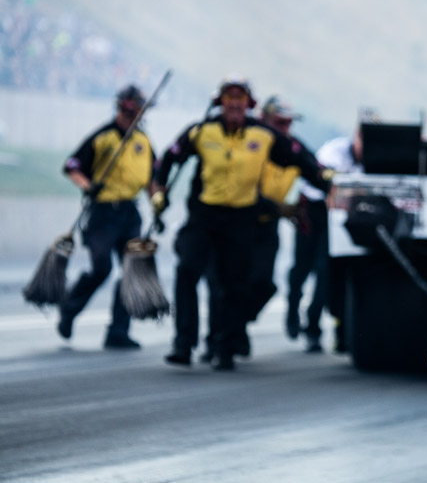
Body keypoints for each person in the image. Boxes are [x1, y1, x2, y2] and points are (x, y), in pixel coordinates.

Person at [153, 77, 330, 371]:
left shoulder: (264, 136)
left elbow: (305, 163)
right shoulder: (201, 131)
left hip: (241, 220)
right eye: (229, 99)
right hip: (204, 216)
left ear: (249, 105)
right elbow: (169, 159)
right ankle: (183, 342)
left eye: (240, 100)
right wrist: (158, 190)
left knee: (235, 284)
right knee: (187, 270)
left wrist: (328, 183)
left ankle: (225, 347)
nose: (235, 105)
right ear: (220, 103)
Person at [57, 84, 155, 349]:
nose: (130, 118)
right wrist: (89, 186)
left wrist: (158, 203)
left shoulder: (143, 142)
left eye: (135, 113)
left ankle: (118, 331)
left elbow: (153, 180)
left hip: (130, 213)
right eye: (127, 112)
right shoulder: (103, 137)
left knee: (131, 270)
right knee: (102, 269)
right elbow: (72, 166)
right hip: (102, 213)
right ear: (120, 109)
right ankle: (69, 308)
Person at [287, 128, 363, 352]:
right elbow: (327, 181)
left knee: (324, 271)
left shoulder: (369, 160)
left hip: (335, 215)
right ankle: (293, 307)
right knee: (301, 267)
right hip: (312, 210)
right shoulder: (335, 151)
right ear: (357, 137)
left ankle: (312, 328)